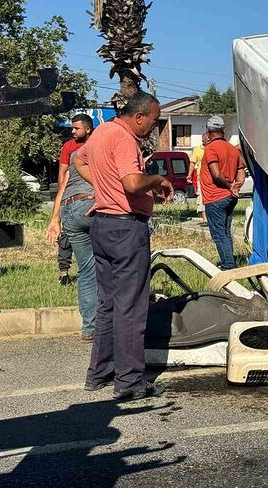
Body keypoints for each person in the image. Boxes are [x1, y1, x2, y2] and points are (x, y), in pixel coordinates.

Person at [73, 91, 173, 400]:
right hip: (125, 228)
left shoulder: (102, 130)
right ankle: (129, 380)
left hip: (102, 224)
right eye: (154, 121)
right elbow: (131, 183)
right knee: (131, 305)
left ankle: (99, 373)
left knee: (109, 302)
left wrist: (105, 187)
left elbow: (79, 160)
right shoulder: (126, 139)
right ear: (139, 116)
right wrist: (156, 180)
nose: (154, 127)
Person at [46, 113, 97, 341]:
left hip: (70, 210)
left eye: (76, 128)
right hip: (89, 205)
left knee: (87, 270)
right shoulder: (88, 146)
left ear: (88, 129)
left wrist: (56, 219)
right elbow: (62, 179)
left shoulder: (81, 150)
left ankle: (89, 328)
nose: (72, 131)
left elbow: (63, 184)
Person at [200, 116, 245, 270]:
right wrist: (236, 186)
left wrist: (228, 185)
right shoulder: (232, 148)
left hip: (215, 197)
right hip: (229, 198)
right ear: (223, 130)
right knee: (225, 232)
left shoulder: (211, 149)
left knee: (219, 234)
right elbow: (241, 170)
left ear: (208, 131)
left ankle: (228, 266)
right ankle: (229, 261)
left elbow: (216, 174)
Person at [187, 132, 211, 223]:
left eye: (209, 138)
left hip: (213, 178)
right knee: (201, 197)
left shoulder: (213, 148)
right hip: (201, 177)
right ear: (203, 139)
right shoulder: (197, 150)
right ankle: (205, 219)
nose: (208, 139)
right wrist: (189, 175)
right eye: (206, 138)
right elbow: (192, 163)